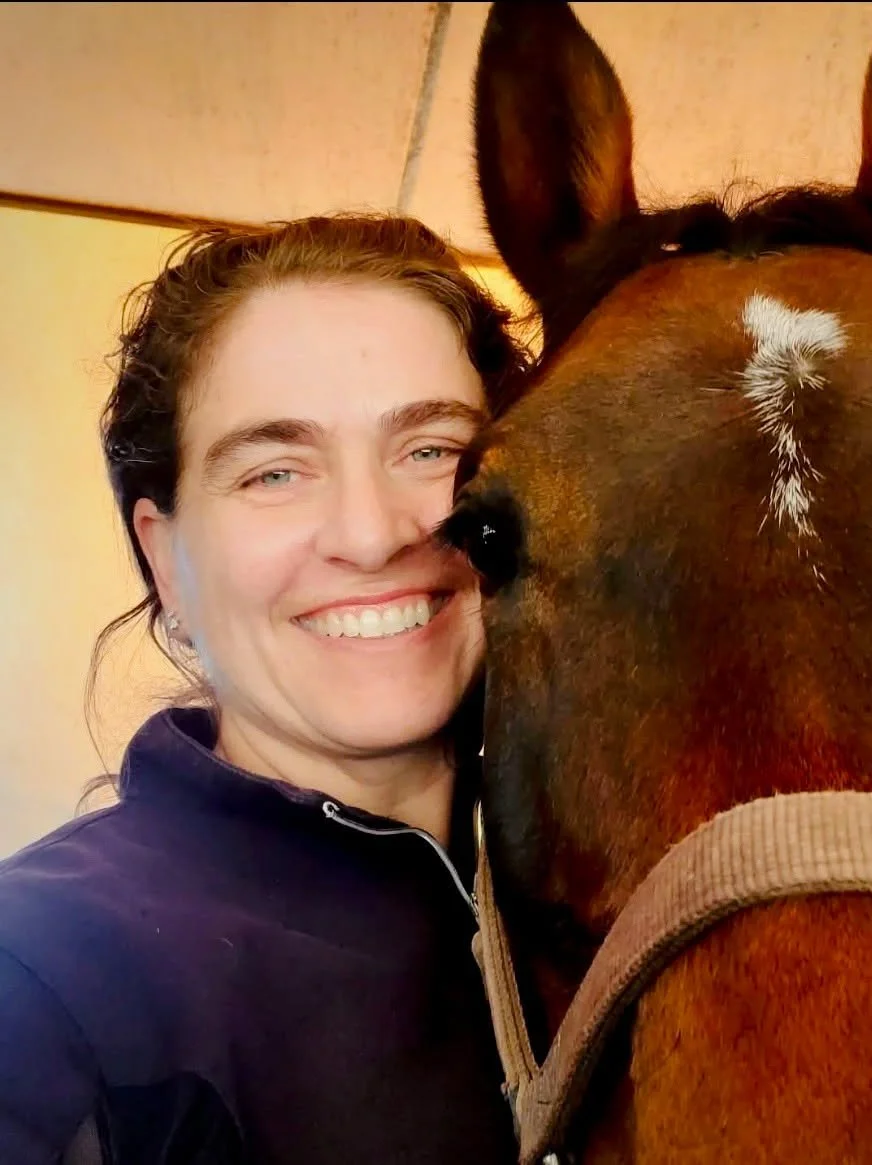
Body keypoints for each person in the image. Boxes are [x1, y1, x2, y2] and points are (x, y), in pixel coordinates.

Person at [0, 215, 527, 1163]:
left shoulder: (618, 905)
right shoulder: (40, 976)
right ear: (164, 557)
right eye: (274, 471)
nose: (372, 535)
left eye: (431, 450)